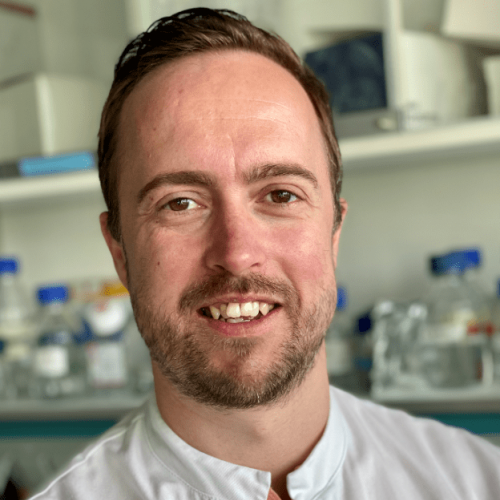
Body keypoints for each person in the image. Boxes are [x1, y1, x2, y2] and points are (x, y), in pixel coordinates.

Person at [30, 8, 500, 500]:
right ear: (120, 252)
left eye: (280, 195)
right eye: (180, 203)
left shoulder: (476, 482)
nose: (237, 254)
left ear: (333, 232)